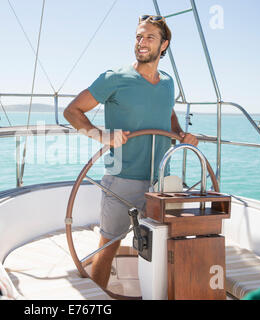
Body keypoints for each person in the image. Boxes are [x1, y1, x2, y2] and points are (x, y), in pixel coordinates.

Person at [63, 15, 198, 289]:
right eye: (138, 36)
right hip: (121, 180)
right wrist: (101, 135)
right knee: (109, 244)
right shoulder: (115, 78)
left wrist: (180, 133)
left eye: (149, 37)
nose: (142, 42)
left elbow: (166, 110)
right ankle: (97, 299)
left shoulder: (168, 83)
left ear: (164, 45)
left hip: (162, 182)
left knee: (163, 246)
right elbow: (72, 111)